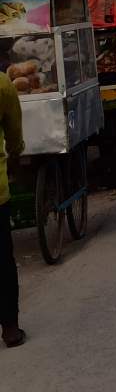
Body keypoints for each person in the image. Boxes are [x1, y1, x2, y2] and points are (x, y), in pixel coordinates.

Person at [0, 71, 25, 348]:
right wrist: (16, 152)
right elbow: (14, 133)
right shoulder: (2, 84)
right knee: (2, 260)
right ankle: (10, 328)